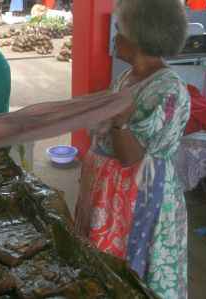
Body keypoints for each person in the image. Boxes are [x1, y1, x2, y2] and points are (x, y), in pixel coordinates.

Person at [74, 0, 190, 298]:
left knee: (129, 273)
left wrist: (120, 121)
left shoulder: (169, 89)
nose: (115, 37)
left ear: (139, 37)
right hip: (110, 196)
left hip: (137, 198)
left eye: (119, 30)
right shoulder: (128, 77)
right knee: (102, 272)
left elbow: (131, 156)